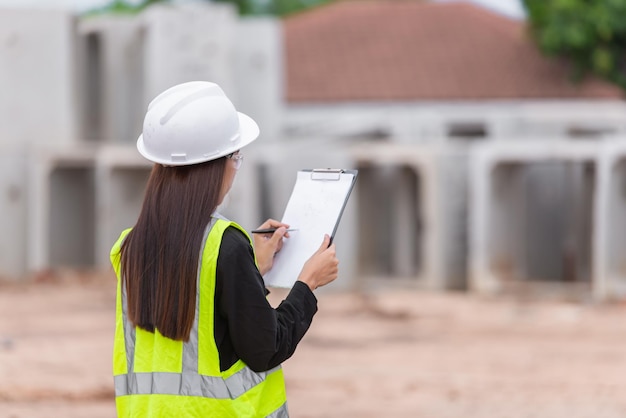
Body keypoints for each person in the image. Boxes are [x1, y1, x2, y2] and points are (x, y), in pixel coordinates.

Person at [110, 81, 339, 417]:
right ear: (215, 165)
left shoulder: (132, 246)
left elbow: (198, 316)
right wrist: (308, 285)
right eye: (236, 156)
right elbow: (266, 347)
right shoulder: (225, 245)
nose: (236, 166)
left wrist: (253, 269)